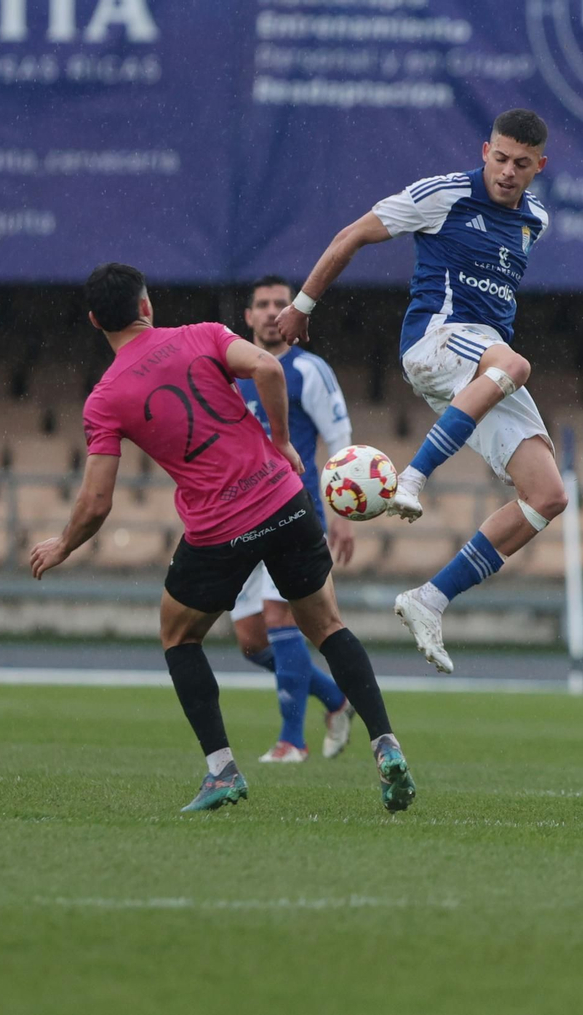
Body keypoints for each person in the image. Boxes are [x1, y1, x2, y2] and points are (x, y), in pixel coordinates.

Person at [31, 263, 415, 814]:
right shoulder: (201, 334)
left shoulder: (105, 399)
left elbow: (96, 502)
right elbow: (268, 368)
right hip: (285, 500)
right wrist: (280, 443)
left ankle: (222, 771)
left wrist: (64, 544)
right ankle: (386, 746)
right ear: (147, 306)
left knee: (178, 636)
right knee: (327, 625)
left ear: (95, 321)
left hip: (219, 529)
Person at [275, 108, 562, 676]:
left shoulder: (535, 220)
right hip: (435, 342)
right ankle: (412, 476)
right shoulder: (444, 194)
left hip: (481, 367)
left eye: (521, 164)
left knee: (547, 494)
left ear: (538, 167)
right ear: (485, 151)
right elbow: (352, 234)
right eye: (500, 158)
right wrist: (302, 305)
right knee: (516, 362)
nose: (507, 171)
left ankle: (429, 599)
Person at [229, 275, 357, 764]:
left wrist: (342, 513)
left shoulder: (309, 371)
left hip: (293, 509)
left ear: (293, 313)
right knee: (250, 640)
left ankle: (291, 741)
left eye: (280, 303)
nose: (270, 311)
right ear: (247, 316)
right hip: (238, 515)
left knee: (281, 614)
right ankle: (335, 698)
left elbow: (340, 439)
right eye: (261, 304)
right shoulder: (232, 370)